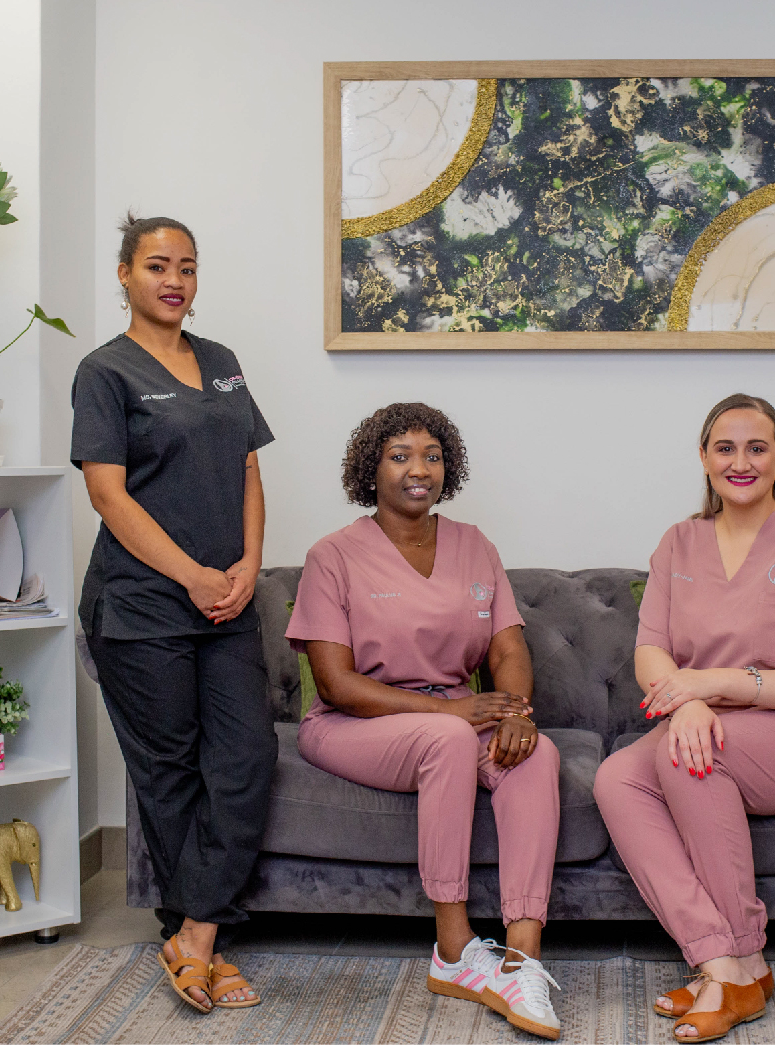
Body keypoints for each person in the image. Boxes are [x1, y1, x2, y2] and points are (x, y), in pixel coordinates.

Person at [593, 394, 775, 1043]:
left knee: (688, 755)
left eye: (757, 447)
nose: (741, 462)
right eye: (725, 448)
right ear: (704, 458)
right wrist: (688, 699)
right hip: (706, 714)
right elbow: (649, 650)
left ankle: (742, 959)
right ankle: (725, 963)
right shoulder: (679, 541)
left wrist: (711, 685)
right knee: (616, 778)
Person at [286, 403, 563, 1041]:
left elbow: (508, 648)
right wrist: (447, 711)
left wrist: (517, 712)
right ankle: (454, 950)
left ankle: (522, 960)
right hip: (353, 722)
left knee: (538, 754)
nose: (419, 470)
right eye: (400, 456)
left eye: (432, 457)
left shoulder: (475, 545)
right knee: (448, 737)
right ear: (371, 469)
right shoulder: (333, 556)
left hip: (454, 716)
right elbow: (336, 683)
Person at [73, 213, 275, 1013]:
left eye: (186, 266)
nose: (174, 280)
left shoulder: (221, 362)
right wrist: (191, 574)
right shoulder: (104, 371)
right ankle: (202, 941)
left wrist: (249, 563)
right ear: (124, 274)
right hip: (140, 605)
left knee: (246, 756)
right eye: (157, 264)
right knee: (170, 772)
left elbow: (248, 468)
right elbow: (107, 494)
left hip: (225, 599)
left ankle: (194, 935)